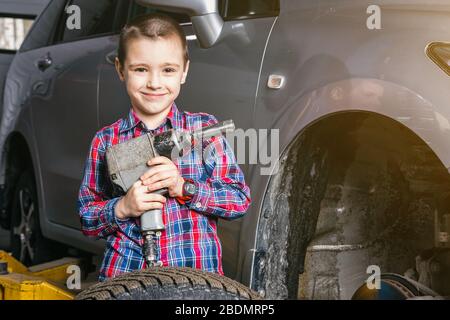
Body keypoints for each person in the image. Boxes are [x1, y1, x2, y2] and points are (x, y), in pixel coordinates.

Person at [77, 13, 251, 281]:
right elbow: (87, 218)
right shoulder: (106, 140)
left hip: (195, 279)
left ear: (184, 71)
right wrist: (123, 207)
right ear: (120, 69)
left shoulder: (203, 131)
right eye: (140, 69)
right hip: (125, 279)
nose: (155, 83)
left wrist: (184, 187)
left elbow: (239, 200)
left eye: (168, 69)